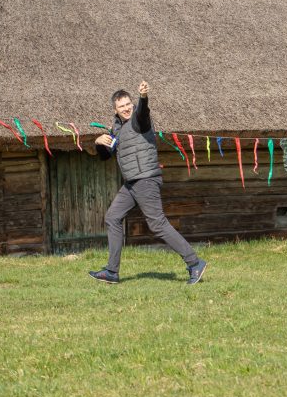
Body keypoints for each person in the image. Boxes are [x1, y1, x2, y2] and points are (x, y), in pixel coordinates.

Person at [88, 82, 208, 285]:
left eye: (129, 104)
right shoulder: (117, 128)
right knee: (113, 217)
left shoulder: (138, 120)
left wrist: (143, 98)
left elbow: (143, 113)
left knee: (157, 224)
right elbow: (105, 156)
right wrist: (98, 143)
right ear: (115, 110)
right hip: (131, 183)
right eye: (121, 106)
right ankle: (111, 272)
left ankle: (194, 263)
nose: (126, 108)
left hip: (145, 179)